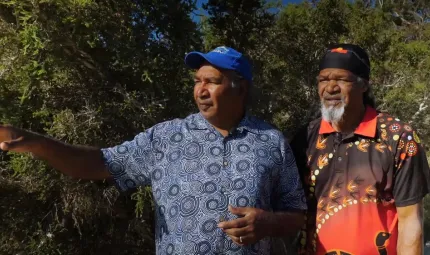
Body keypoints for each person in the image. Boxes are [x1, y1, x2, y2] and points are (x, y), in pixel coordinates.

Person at [0, 46, 306, 254]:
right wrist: (37, 143)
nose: (200, 90)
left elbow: (297, 214)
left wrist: (268, 223)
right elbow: (97, 163)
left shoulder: (270, 141)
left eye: (212, 81)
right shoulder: (166, 137)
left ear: (241, 87)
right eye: (197, 81)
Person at [291, 43, 430, 255]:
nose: (330, 88)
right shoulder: (305, 138)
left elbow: (410, 221)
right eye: (324, 80)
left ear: (363, 85)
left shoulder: (398, 137)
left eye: (341, 79)